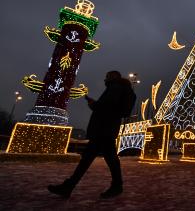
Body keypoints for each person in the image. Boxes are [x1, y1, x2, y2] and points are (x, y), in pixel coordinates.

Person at [48, 71, 136, 199]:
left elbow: (107, 107)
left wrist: (94, 104)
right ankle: (71, 186)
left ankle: (70, 186)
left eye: (108, 76)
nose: (106, 78)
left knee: (92, 159)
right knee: (104, 159)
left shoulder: (115, 88)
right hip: (108, 128)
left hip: (103, 128)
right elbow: (114, 108)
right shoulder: (120, 89)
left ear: (115, 77)